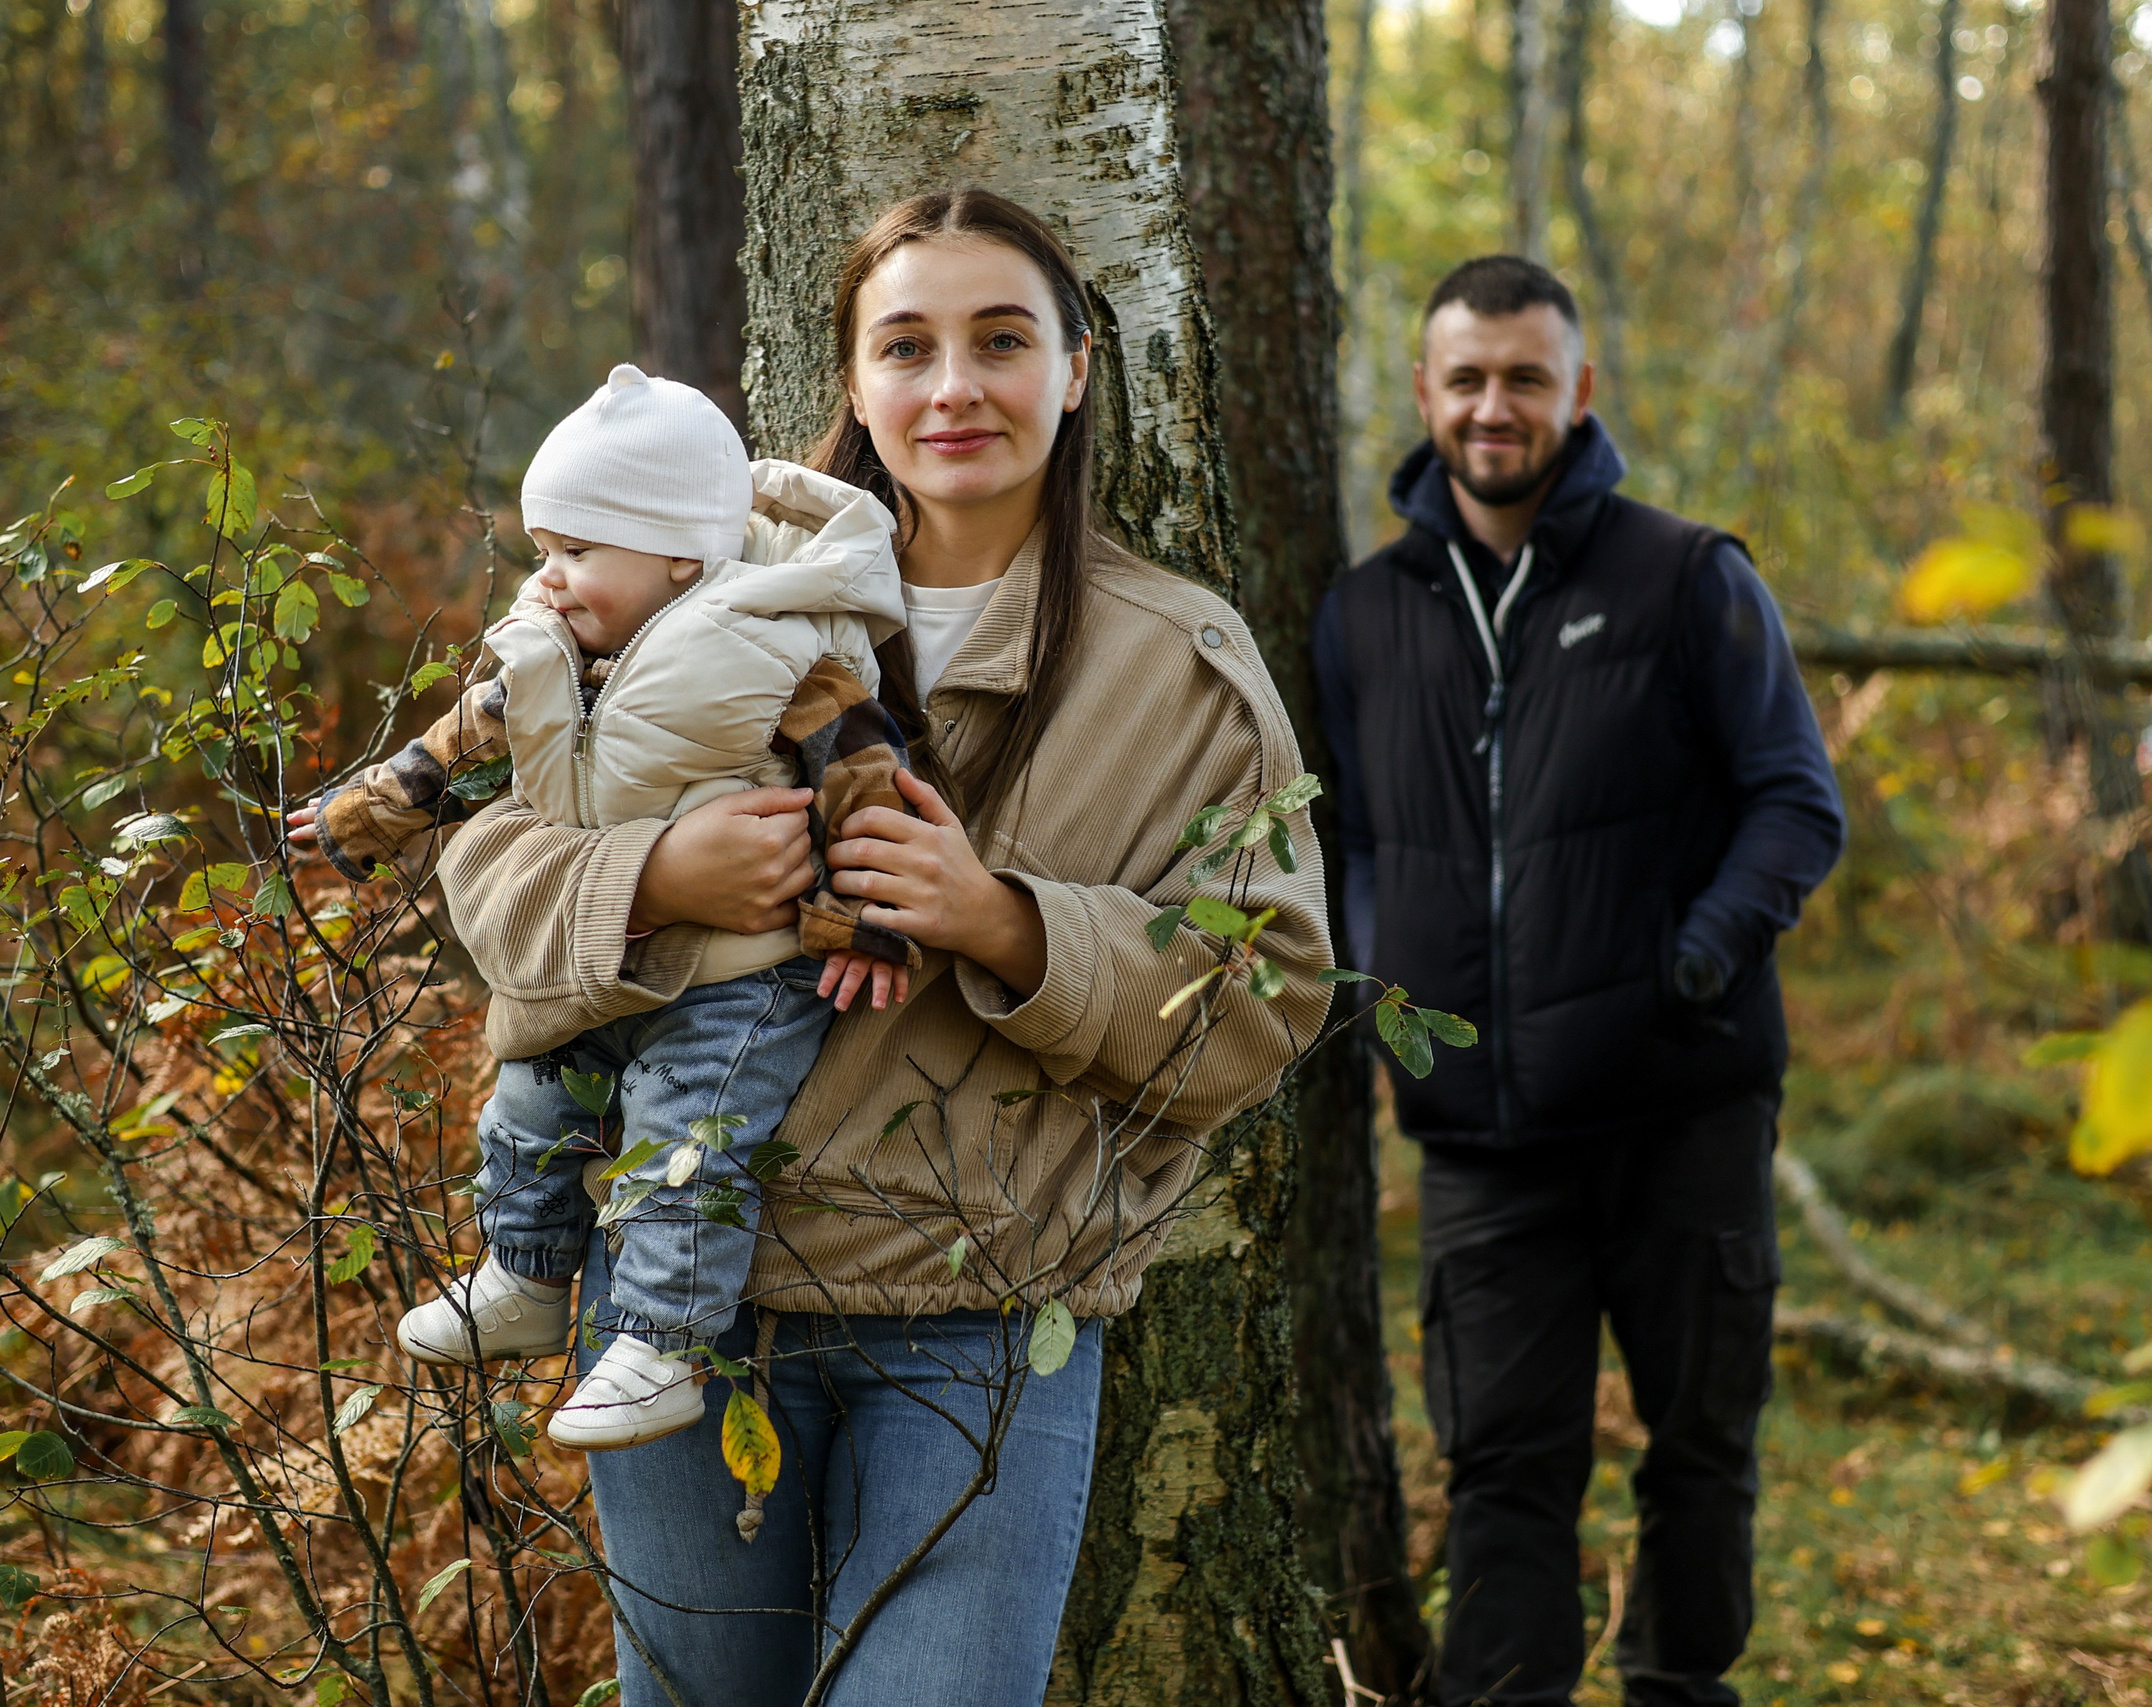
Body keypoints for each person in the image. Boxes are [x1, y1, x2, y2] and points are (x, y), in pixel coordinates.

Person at [427, 190, 1332, 1704]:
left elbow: (1263, 1009)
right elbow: (486, 873)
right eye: (906, 345)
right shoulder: (668, 589)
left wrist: (1006, 921)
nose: (954, 386)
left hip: (977, 1323)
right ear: (852, 378)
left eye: (1002, 340)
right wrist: (653, 874)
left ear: (1079, 365)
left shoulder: (1180, 666)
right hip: (684, 1306)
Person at [1313, 255, 1844, 1707]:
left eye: (1526, 378)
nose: (1496, 407)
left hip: (1682, 1106)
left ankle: (1682, 1684)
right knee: (1502, 1464)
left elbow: (1797, 802)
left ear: (1579, 392)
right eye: (1469, 378)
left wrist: (1695, 956)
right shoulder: (1366, 611)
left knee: (1700, 1444)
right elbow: (1351, 834)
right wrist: (1386, 999)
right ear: (1427, 393)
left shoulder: (1685, 576)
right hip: (1484, 1136)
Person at [291, 369, 920, 1453]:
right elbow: (464, 752)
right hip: (604, 957)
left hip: (744, 973)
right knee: (531, 1104)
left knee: (690, 1141)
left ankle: (662, 1347)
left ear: (679, 553)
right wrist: (367, 817)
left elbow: (862, 775)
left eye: (577, 552)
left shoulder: (776, 641)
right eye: (543, 550)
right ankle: (528, 1279)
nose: (550, 578)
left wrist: (858, 917)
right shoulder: (553, 655)